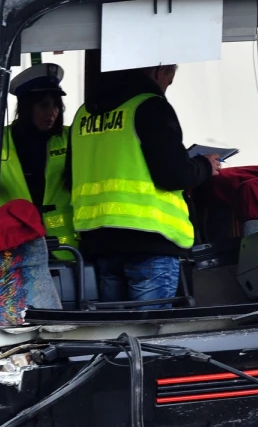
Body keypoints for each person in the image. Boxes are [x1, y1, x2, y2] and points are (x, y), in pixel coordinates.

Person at [68, 64, 219, 309]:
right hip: (149, 240)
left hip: (100, 241)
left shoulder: (83, 115)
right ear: (159, 71)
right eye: (168, 80)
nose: (166, 88)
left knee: (116, 333)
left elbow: (70, 175)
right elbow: (173, 175)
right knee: (149, 336)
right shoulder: (150, 106)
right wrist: (203, 165)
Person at [0, 62, 77, 252]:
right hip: (14, 246)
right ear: (26, 107)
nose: (52, 112)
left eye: (56, 106)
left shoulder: (72, 138)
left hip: (64, 248)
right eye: (44, 105)